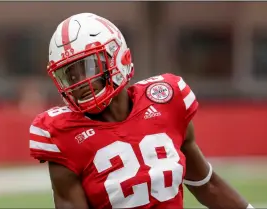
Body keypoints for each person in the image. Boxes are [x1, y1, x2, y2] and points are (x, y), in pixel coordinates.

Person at [29, 13, 254, 209]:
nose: (78, 82)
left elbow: (207, 184)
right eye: (70, 74)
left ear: (116, 57)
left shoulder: (167, 100)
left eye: (87, 67)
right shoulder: (62, 134)